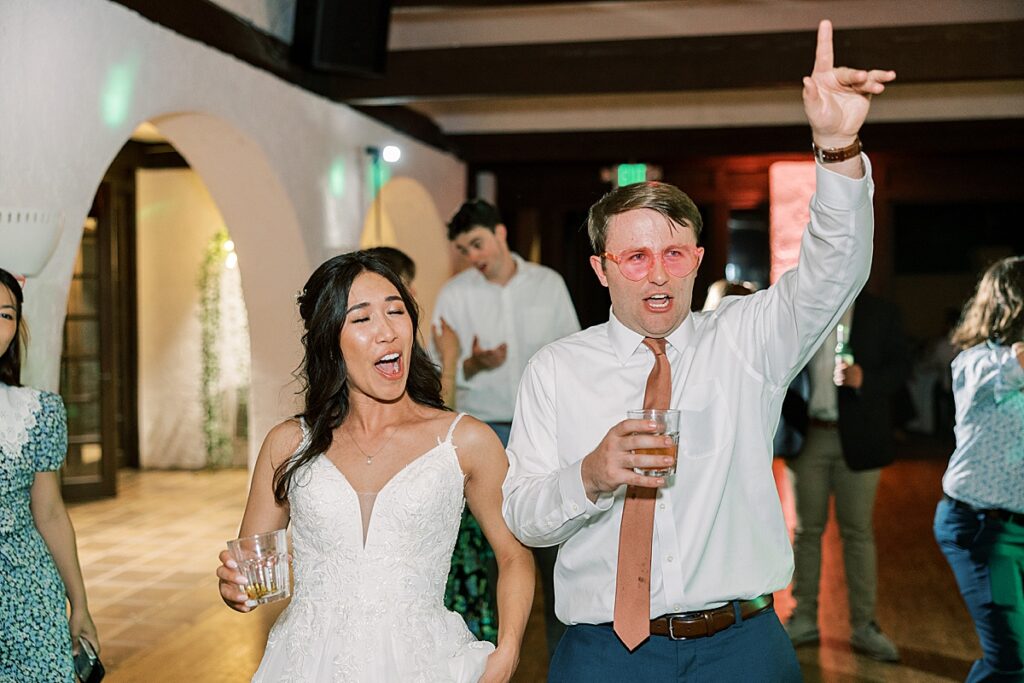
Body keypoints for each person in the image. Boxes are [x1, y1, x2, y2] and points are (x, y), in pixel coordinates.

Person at [501, 20, 895, 680]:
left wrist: (836, 148)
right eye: (635, 256)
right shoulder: (557, 369)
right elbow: (524, 514)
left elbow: (834, 270)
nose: (657, 273)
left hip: (740, 644)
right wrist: (591, 474)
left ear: (697, 261)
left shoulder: (745, 338)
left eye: (674, 253)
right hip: (604, 650)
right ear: (602, 269)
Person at [215, 251, 534, 682]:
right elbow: (250, 570)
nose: (386, 331)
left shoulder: (464, 440)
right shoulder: (288, 444)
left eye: (396, 311)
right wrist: (236, 590)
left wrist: (509, 651)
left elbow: (514, 554)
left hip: (424, 664)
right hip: (306, 664)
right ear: (331, 340)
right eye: (362, 319)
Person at [433, 198, 580, 653]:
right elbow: (436, 375)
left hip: (545, 432)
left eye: (477, 243)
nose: (473, 256)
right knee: (500, 546)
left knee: (558, 546)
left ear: (500, 233)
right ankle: (496, 655)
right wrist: (472, 364)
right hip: (486, 434)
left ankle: (563, 654)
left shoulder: (548, 284)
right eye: (464, 249)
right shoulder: (454, 295)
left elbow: (573, 355)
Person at [783, 290, 910, 663]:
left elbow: (902, 367)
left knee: (857, 533)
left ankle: (864, 626)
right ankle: (803, 617)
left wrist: (864, 378)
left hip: (861, 436)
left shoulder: (882, 310)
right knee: (806, 533)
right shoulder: (804, 307)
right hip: (808, 436)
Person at [0, 267, 100, 680]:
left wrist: (79, 604)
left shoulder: (35, 412)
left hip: (28, 593)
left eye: (5, 314)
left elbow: (51, 514)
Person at [934, 255, 1024, 683]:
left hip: (1016, 526)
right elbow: (1012, 366)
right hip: (982, 530)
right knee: (1011, 662)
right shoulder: (979, 363)